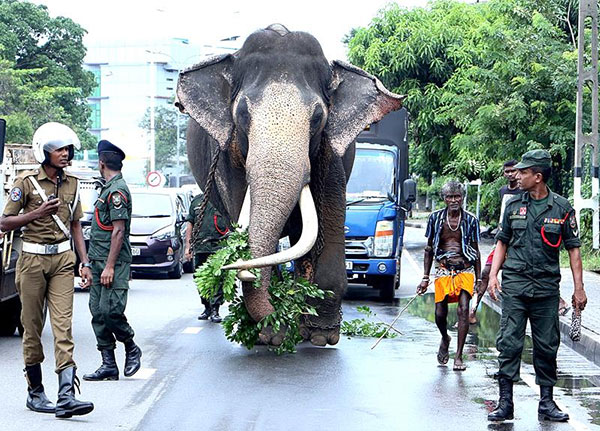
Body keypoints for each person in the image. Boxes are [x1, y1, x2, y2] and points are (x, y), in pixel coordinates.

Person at [0, 122, 94, 418]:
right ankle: (36, 391)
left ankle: (66, 395)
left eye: (68, 149)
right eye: (59, 149)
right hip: (31, 262)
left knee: (63, 328)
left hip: (63, 261)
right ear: (44, 151)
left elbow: (76, 225)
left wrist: (85, 262)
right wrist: (36, 214)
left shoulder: (74, 184)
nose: (65, 154)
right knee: (32, 329)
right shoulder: (26, 184)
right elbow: (4, 223)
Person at [487, 149, 587, 422]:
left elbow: (574, 250)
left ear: (538, 177)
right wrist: (493, 276)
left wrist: (579, 288)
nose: (517, 176)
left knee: (546, 345)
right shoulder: (513, 206)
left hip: (545, 290)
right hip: (516, 287)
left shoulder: (562, 208)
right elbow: (502, 242)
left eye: (524, 172)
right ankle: (505, 402)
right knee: (509, 344)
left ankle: (546, 402)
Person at [83, 140, 142, 381]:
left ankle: (131, 346)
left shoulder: (117, 191)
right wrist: (87, 262)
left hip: (113, 263)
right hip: (97, 260)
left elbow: (118, 231)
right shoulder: (106, 188)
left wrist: (109, 266)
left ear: (101, 163)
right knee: (97, 311)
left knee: (111, 311)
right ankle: (108, 363)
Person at [417, 180, 481, 371]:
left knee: (463, 310)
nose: (454, 200)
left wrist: (479, 279)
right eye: (450, 197)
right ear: (444, 199)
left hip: (465, 269)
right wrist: (425, 277)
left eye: (457, 196)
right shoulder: (435, 219)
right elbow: (429, 249)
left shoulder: (471, 220)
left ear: (462, 198)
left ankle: (458, 356)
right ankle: (445, 337)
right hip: (444, 269)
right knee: (439, 313)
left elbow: (476, 252)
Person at [469, 160, 521, 324]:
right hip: (501, 238)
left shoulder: (524, 191)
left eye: (513, 171)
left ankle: (558, 302)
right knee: (486, 273)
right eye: (507, 171)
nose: (510, 174)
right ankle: (472, 311)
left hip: (518, 240)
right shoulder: (502, 191)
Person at [184, 192, 230, 323]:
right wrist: (188, 247)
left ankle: (215, 309)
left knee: (217, 278)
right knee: (200, 279)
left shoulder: (222, 200)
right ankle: (206, 307)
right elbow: (190, 225)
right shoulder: (196, 201)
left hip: (218, 246)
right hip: (200, 247)